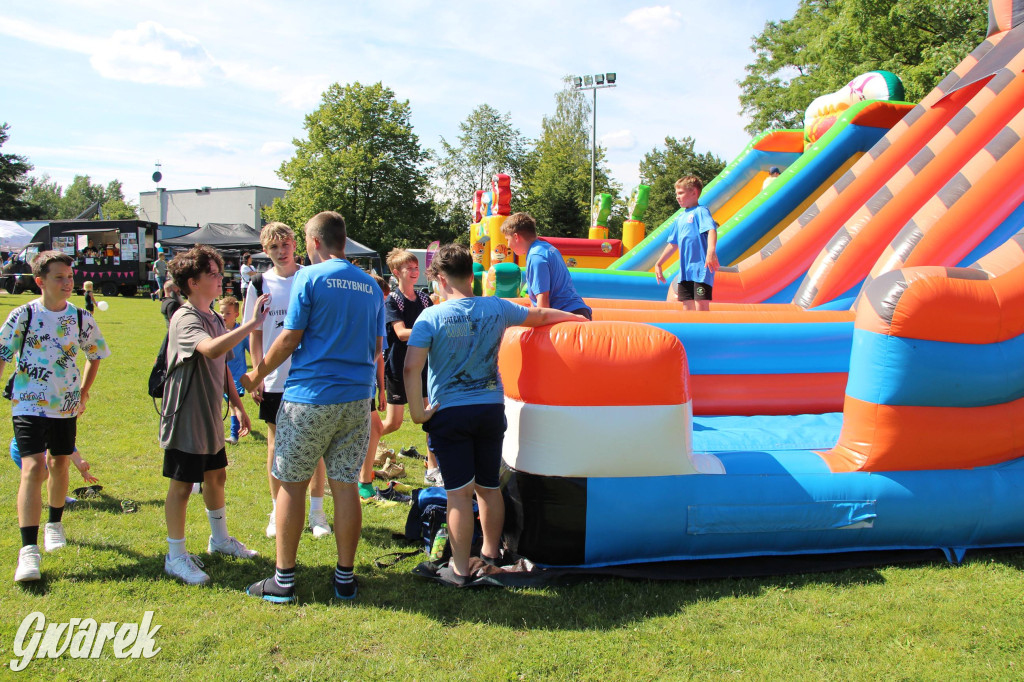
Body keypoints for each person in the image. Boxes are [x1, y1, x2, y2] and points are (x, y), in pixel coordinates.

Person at [404, 244, 587, 583]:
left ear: (441, 279)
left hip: (450, 413)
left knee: (458, 493)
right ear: (469, 274)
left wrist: (418, 412)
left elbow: (411, 368)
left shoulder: (431, 315)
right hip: (489, 408)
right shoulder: (497, 307)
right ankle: (490, 555)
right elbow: (542, 316)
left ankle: (459, 570)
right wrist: (576, 317)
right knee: (489, 487)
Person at [241, 211, 385, 604]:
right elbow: (376, 349)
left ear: (314, 242)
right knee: (346, 487)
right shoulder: (371, 286)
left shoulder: (309, 277)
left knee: (291, 485)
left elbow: (289, 339)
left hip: (310, 397)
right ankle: (344, 579)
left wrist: (255, 375)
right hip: (357, 398)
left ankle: (283, 581)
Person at [160, 244, 269, 586]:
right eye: (212, 274)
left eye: (219, 273)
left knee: (216, 477)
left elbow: (221, 367)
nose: (220, 279)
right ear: (192, 282)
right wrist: (252, 324)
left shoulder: (212, 317)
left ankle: (219, 540)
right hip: (186, 417)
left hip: (209, 416)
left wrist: (236, 405)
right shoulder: (185, 316)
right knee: (181, 486)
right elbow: (210, 349)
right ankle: (175, 555)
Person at [0, 250, 110, 582]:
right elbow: (3, 354)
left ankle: (55, 524)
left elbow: (95, 354)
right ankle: (28, 552)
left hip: (65, 407)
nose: (67, 283)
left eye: (70, 277)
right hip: (28, 404)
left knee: (60, 463)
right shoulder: (23, 315)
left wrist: (85, 390)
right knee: (34, 467)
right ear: (40, 281)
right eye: (59, 277)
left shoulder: (80, 317)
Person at [242, 222, 331, 540]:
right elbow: (254, 332)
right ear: (265, 251)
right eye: (274, 247)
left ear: (295, 245)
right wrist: (258, 374)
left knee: (315, 445)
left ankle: (317, 512)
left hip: (308, 377)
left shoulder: (309, 277)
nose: (281, 251)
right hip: (273, 380)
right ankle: (277, 510)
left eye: (286, 244)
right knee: (275, 445)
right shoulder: (257, 282)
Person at [380, 249, 443, 485]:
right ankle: (366, 445)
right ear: (397, 273)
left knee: (431, 419)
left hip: (424, 366)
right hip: (398, 366)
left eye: (417, 268)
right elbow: (401, 333)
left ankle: (432, 467)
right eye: (410, 269)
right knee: (393, 423)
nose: (415, 272)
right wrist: (432, 330)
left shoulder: (425, 299)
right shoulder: (392, 300)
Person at [501, 212, 592, 320]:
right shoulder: (547, 248)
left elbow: (543, 302)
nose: (508, 245)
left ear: (516, 237)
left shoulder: (536, 257)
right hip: (576, 310)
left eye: (507, 239)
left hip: (567, 315)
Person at [654, 176, 720, 312]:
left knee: (701, 305)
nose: (677, 197)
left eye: (681, 193)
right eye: (676, 194)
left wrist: (711, 252)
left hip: (701, 268)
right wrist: (659, 263)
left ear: (694, 193)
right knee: (687, 307)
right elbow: (673, 244)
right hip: (685, 271)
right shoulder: (680, 218)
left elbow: (711, 230)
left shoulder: (700, 211)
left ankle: (703, 332)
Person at [217, 296, 249, 445]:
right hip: (219, 375)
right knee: (230, 404)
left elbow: (252, 351)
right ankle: (242, 421)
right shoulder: (217, 331)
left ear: (236, 314)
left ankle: (234, 436)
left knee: (231, 404)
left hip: (236, 376)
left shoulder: (241, 332)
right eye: (221, 312)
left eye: (228, 313)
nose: (224, 316)